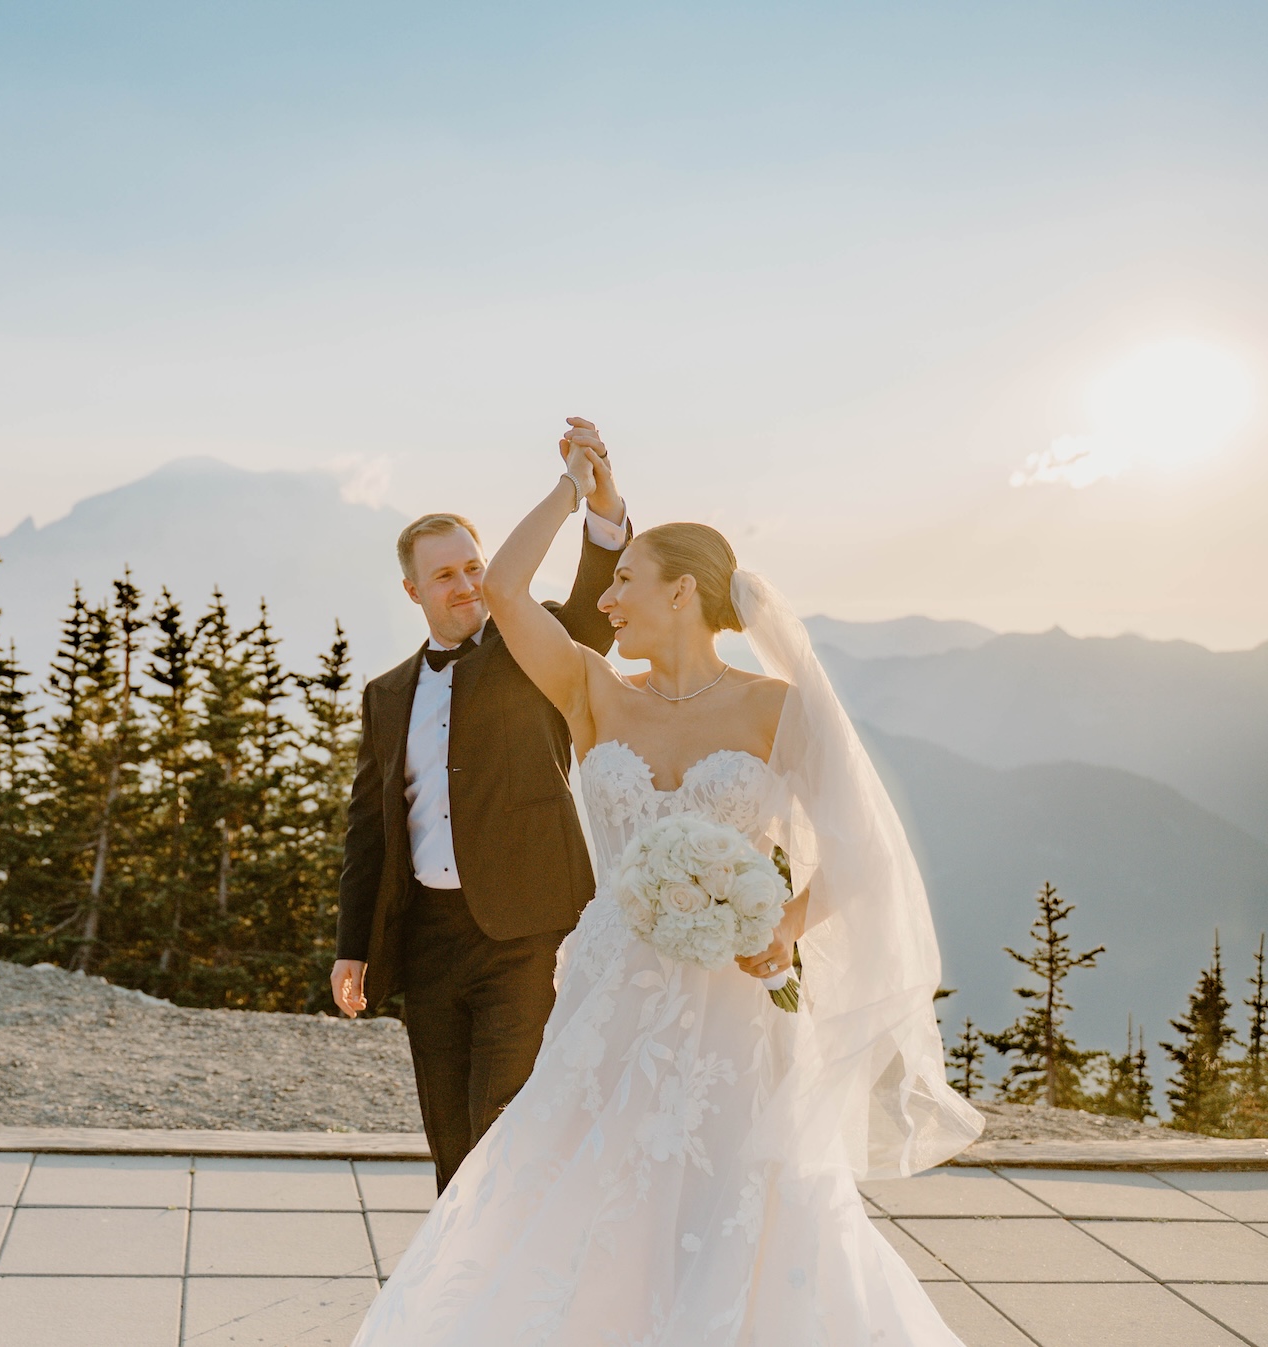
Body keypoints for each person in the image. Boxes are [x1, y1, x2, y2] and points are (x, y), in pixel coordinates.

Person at [350, 419, 982, 1346]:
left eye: (625, 582)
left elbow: (864, 852)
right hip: (608, 999)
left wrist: (787, 924)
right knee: (579, 1198)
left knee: (732, 1206)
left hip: (737, 1008)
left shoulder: (778, 710)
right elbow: (508, 587)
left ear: (683, 592)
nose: (605, 601)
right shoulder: (593, 690)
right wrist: (577, 492)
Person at [331, 436, 631, 1192]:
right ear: (413, 592)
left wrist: (598, 502)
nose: (467, 585)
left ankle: (514, 1289)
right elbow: (370, 831)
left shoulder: (532, 647)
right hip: (427, 941)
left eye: (474, 566)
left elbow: (594, 617)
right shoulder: (386, 693)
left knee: (508, 1121)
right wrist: (351, 945)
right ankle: (457, 1296)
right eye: (446, 575)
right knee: (451, 1135)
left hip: (527, 934)